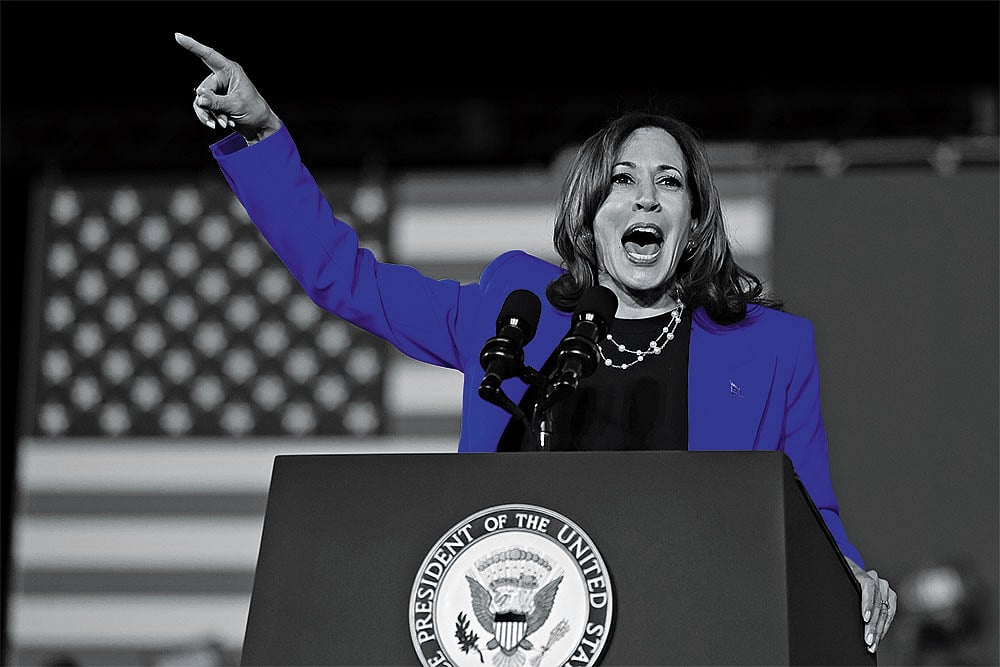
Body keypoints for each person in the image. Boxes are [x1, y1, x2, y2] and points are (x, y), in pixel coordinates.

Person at [175, 32, 897, 652]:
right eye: (623, 180)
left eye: (670, 182)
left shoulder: (769, 348)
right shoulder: (514, 310)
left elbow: (810, 509)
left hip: (691, 635)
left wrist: (852, 578)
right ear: (590, 211)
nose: (646, 197)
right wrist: (263, 134)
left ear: (694, 218)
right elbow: (345, 277)